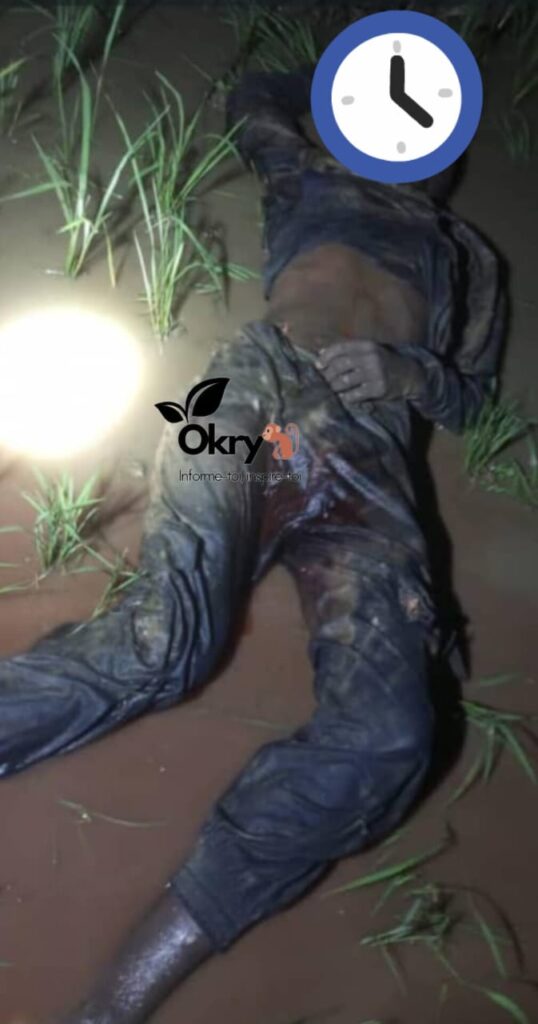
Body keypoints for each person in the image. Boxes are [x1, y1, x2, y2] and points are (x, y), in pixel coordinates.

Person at [1, 68, 503, 1024]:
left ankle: (113, 1005)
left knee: (391, 737)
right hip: (258, 394)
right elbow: (248, 96)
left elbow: (471, 400)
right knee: (167, 640)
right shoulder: (311, 170)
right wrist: (353, 69)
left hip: (371, 470)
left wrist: (409, 373)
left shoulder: (469, 259)